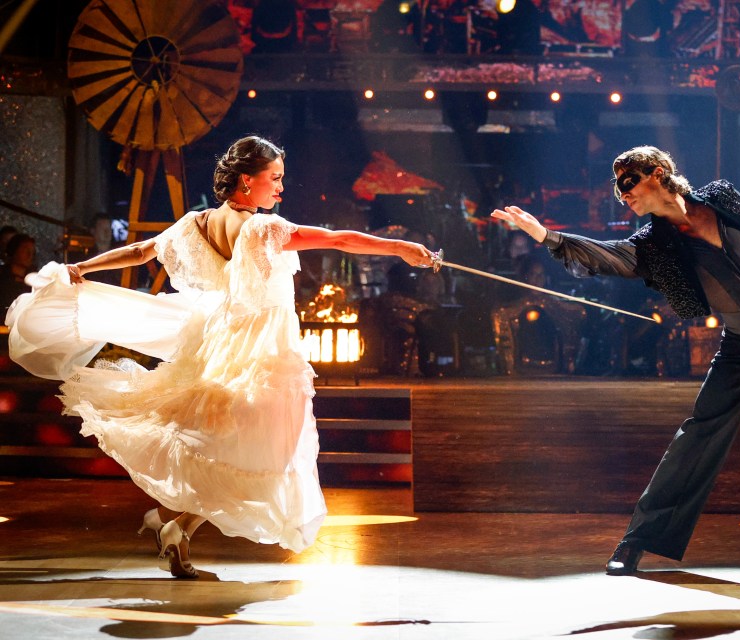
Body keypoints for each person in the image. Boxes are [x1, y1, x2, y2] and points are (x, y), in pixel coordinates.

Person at [5, 136, 433, 578]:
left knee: (234, 451)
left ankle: (178, 525)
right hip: (263, 355)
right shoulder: (265, 229)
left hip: (221, 347)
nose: (281, 189)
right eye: (275, 179)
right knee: (260, 455)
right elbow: (339, 239)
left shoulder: (195, 224)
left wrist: (81, 268)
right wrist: (400, 248)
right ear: (247, 181)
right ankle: (178, 525)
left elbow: (139, 252)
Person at [492, 145, 740, 577]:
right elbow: (609, 257)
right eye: (618, 189)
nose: (624, 196)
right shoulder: (656, 243)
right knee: (699, 434)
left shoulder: (721, 197)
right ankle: (637, 541)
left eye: (628, 183)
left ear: (656, 174)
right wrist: (548, 237)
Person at [0, 232, 36, 311]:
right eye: (25, 249)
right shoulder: (2, 276)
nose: (30, 254)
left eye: (32, 251)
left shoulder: (35, 281)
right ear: (14, 250)